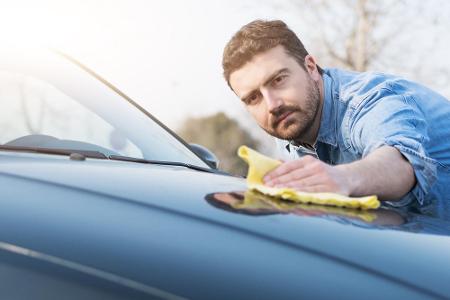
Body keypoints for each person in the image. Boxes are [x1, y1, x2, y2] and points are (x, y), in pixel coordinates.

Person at [221, 20, 450, 218]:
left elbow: (400, 164)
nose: (272, 105)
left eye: (278, 80)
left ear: (310, 67)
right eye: (254, 97)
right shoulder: (289, 123)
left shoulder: (367, 101)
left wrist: (343, 178)